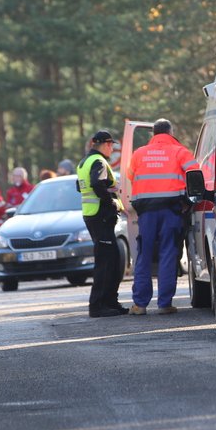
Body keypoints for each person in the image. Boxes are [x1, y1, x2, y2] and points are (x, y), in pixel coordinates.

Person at [127, 118, 198, 315]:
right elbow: (196, 175)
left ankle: (140, 305)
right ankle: (164, 304)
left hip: (146, 211)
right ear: (170, 131)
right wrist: (189, 201)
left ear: (153, 134)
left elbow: (130, 176)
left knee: (144, 254)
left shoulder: (139, 154)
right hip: (172, 210)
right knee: (168, 253)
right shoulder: (180, 151)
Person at [77, 130, 128, 318]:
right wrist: (112, 201)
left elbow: (82, 186)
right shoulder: (98, 162)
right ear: (105, 144)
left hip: (93, 215)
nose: (112, 148)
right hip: (101, 215)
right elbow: (97, 184)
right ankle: (98, 306)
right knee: (106, 262)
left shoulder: (84, 162)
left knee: (112, 259)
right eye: (111, 144)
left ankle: (110, 302)